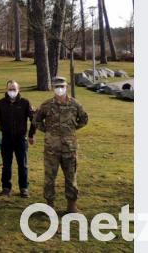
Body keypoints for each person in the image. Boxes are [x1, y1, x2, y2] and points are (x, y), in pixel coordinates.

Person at [34, 76, 89, 213]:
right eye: (57, 86)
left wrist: (70, 130)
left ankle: (71, 206)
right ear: (53, 88)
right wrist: (48, 131)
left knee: (71, 177)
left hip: (70, 149)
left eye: (62, 86)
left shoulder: (75, 105)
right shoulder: (46, 105)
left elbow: (84, 119)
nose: (59, 89)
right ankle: (50, 205)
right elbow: (36, 120)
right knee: (49, 178)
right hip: (51, 149)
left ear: (67, 87)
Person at [0, 80, 37, 198]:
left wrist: (31, 134)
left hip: (21, 139)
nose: (12, 91)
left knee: (22, 165)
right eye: (10, 89)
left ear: (19, 89)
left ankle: (24, 188)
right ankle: (6, 188)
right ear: (6, 90)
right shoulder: (0, 103)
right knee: (6, 164)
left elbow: (33, 119)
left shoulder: (25, 103)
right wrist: (5, 128)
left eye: (14, 89)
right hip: (7, 138)